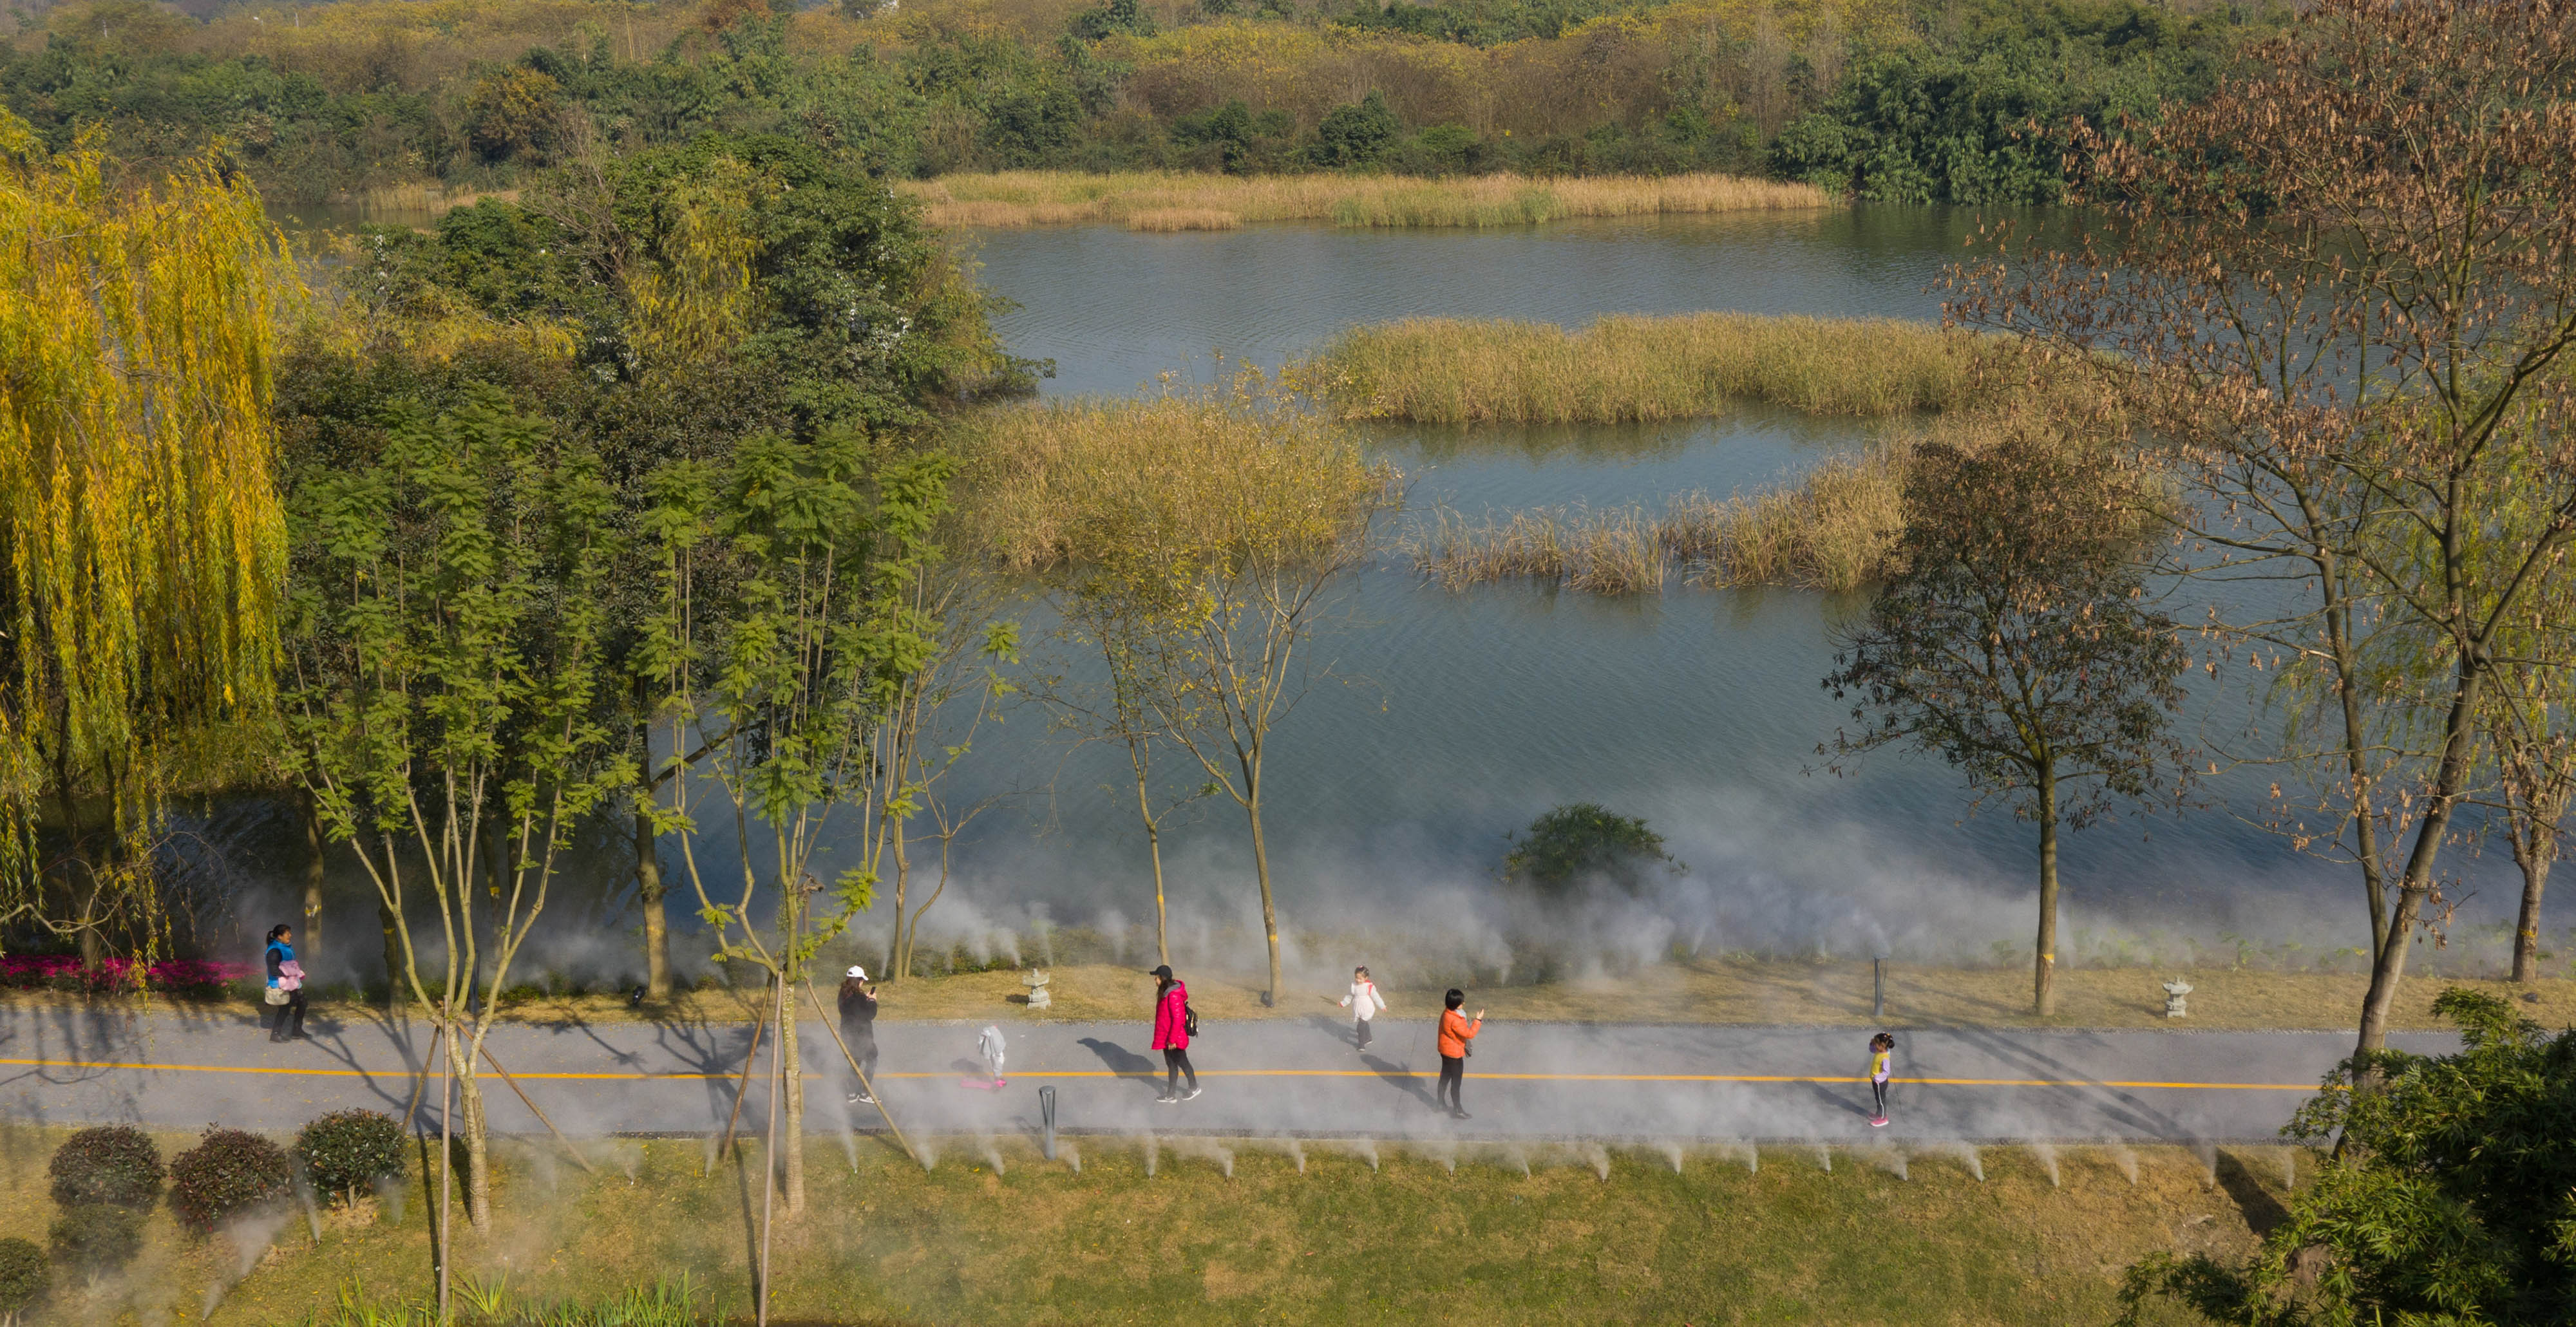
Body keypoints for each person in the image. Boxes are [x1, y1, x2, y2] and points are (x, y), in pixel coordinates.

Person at [1149, 963, 1198, 1103]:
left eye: (1156, 977)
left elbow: (1178, 1020)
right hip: (1168, 1037)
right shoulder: (1165, 993)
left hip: (1175, 1038)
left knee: (1183, 1062)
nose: (1155, 980)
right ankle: (1170, 1095)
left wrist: (1172, 1040)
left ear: (1163, 978)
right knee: (1171, 1065)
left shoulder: (1173, 996)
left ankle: (1194, 1087)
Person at [1435, 988, 1483, 1119]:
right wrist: (1478, 1020)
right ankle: (1458, 1110)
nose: (1463, 1003)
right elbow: (1469, 1034)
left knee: (1444, 1077)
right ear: (1456, 1005)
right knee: (1456, 1084)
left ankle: (1440, 1103)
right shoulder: (1456, 1019)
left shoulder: (1446, 1013)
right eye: (1461, 1002)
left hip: (1445, 1051)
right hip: (1454, 1054)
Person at [837, 965, 879, 1104]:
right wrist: (872, 1001)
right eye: (862, 981)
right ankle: (865, 1092)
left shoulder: (843, 994)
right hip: (862, 1036)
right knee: (872, 1058)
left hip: (847, 1034)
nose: (863, 983)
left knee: (855, 1061)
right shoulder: (858, 997)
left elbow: (855, 1010)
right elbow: (869, 1014)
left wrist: (865, 1000)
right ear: (859, 981)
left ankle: (851, 1092)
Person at [263, 924, 307, 1043]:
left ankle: (297, 1030)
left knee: (302, 1002)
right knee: (285, 1008)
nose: (290, 935)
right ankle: (276, 1034)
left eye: (289, 932)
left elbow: (290, 964)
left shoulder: (285, 947)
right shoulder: (274, 950)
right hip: (280, 983)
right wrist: (289, 975)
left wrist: (296, 973)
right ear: (279, 936)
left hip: (291, 983)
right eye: (287, 933)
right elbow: (273, 970)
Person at [1340, 965, 1386, 1051]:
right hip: (1358, 1007)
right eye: (1356, 978)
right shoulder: (1354, 986)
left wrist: (1382, 1006)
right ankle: (1368, 1038)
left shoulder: (1369, 986)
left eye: (1360, 979)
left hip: (1367, 1008)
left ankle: (1361, 1044)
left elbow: (1376, 997)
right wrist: (1343, 1003)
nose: (1358, 980)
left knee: (1360, 1027)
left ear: (1366, 978)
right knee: (1364, 1022)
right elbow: (1349, 996)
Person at [1868, 1031, 1896, 1127]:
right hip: (1876, 1082)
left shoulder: (1885, 1057)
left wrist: (1877, 1078)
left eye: (1876, 1044)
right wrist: (1872, 1043)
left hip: (1880, 1082)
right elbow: (1872, 1050)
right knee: (1878, 1099)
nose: (1875, 1046)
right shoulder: (1879, 1051)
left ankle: (1884, 1118)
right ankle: (1879, 1114)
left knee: (1881, 1100)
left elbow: (1886, 1072)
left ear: (1882, 1046)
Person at [978, 1024, 1008, 1088]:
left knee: (994, 1064)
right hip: (996, 1053)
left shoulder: (986, 1032)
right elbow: (998, 1044)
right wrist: (998, 1052)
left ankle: (998, 1079)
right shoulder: (994, 1032)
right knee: (998, 1064)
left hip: (990, 1053)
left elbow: (981, 1042)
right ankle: (998, 1080)